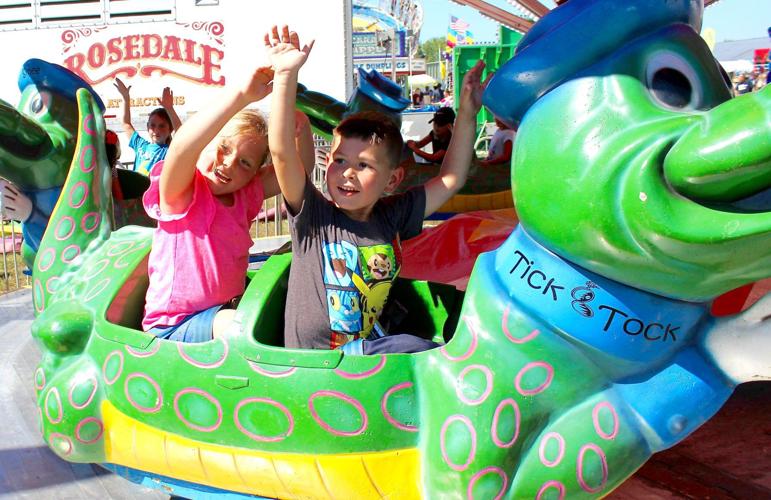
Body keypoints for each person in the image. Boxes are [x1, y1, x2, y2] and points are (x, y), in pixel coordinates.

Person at [265, 25, 488, 354]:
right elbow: (283, 153)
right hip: (317, 362)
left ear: (393, 179)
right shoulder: (313, 217)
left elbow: (451, 178)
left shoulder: (392, 214)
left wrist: (468, 113)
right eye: (340, 161)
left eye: (364, 165)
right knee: (420, 349)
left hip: (359, 356)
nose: (348, 173)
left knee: (444, 326)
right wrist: (285, 76)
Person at [140, 59, 316, 343]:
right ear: (205, 144)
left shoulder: (245, 194)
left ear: (254, 173)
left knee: (283, 310)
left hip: (223, 314)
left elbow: (299, 169)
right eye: (222, 149)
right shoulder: (181, 192)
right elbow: (183, 145)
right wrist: (241, 96)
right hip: (174, 326)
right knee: (242, 325)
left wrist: (302, 127)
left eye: (244, 163)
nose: (229, 165)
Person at [114, 78, 183, 176]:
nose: (156, 130)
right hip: (138, 191)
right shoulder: (141, 145)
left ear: (170, 129)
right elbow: (126, 123)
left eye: (162, 126)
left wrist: (169, 108)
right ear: (147, 127)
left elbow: (182, 134)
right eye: (153, 125)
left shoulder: (169, 151)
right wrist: (126, 98)